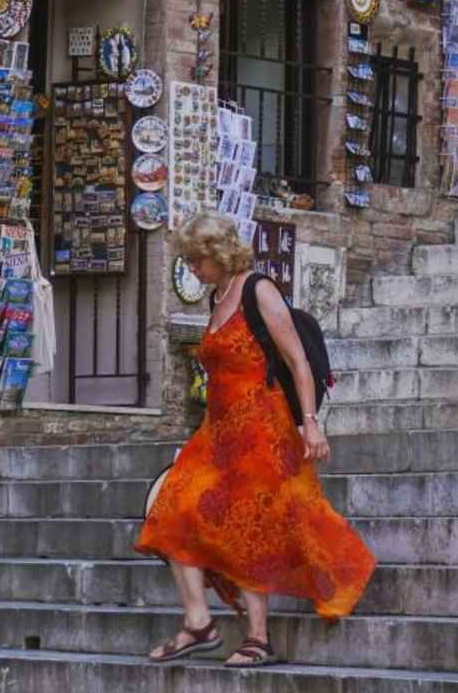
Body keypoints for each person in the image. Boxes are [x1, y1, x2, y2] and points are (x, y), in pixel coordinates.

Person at [136, 212, 375, 667]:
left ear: (218, 253)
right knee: (172, 505)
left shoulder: (257, 289)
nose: (191, 268)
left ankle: (258, 638)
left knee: (248, 526)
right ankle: (198, 622)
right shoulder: (215, 296)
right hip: (219, 429)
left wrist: (309, 421)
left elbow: (298, 361)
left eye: (195, 260)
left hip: (263, 428)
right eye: (188, 261)